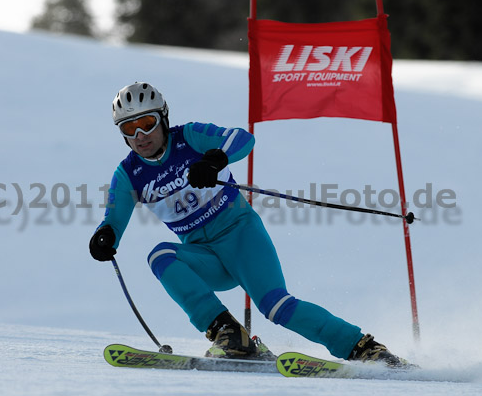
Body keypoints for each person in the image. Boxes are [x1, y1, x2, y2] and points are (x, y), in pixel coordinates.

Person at [89, 81, 409, 366]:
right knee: (160, 256)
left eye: (146, 123)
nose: (140, 136)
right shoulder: (128, 174)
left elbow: (241, 139)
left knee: (276, 307)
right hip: (205, 256)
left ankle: (364, 348)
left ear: (163, 119)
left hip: (241, 237)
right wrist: (105, 236)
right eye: (129, 129)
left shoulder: (188, 138)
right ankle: (229, 334)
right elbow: (114, 221)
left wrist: (214, 159)